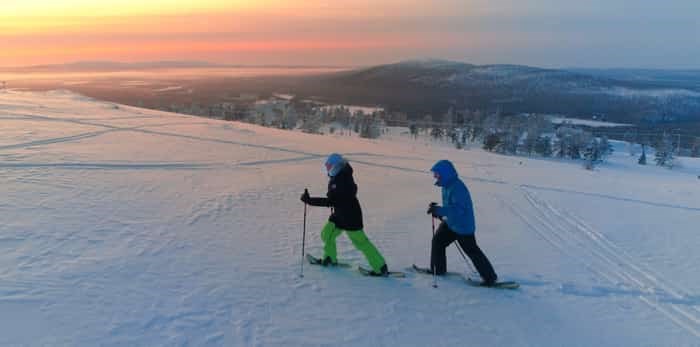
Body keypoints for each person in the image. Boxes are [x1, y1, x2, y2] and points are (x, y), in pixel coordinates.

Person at [301, 153, 389, 276]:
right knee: (327, 234)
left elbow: (332, 201)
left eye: (329, 166)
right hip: (339, 215)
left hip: (350, 217)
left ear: (336, 166)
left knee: (361, 242)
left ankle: (380, 267)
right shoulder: (338, 176)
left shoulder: (343, 180)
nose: (327, 168)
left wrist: (310, 200)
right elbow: (334, 198)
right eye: (326, 166)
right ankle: (330, 258)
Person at [427, 159, 498, 286]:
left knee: (472, 251)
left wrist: (441, 211)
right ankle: (438, 270)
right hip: (451, 223)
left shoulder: (457, 187)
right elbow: (450, 205)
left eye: (437, 173)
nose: (435, 176)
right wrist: (439, 211)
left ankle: (490, 278)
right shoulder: (446, 185)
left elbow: (459, 209)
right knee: (437, 242)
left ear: (445, 173)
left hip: (463, 226)